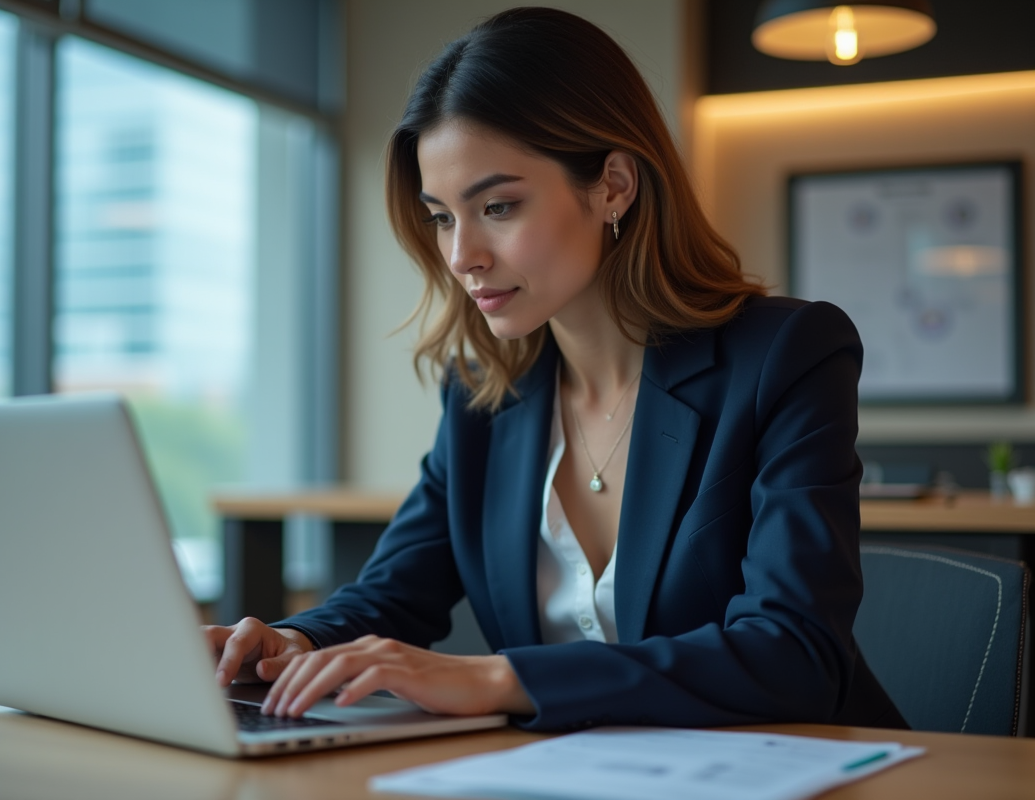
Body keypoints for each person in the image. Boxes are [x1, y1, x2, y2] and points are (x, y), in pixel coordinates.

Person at [204, 6, 906, 732]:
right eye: (442, 216)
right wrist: (291, 642)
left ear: (613, 186)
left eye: (498, 206)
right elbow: (391, 593)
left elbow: (794, 655)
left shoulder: (787, 355)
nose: (461, 255)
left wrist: (497, 678)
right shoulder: (483, 394)